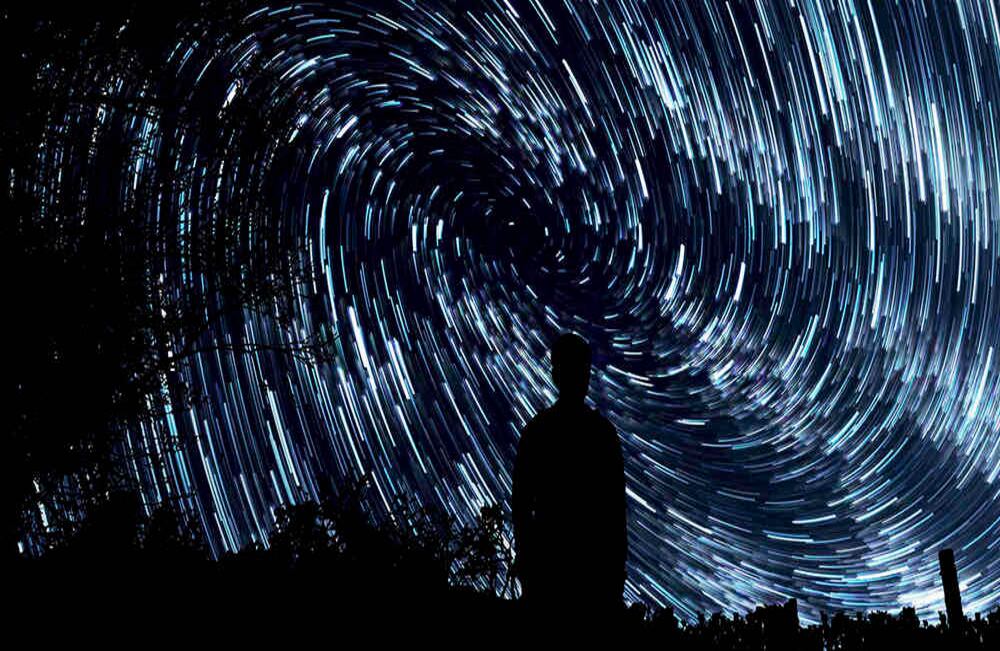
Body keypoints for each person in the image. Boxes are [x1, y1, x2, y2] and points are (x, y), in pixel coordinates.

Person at [511, 332, 627, 626]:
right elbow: (615, 511)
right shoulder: (600, 434)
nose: (581, 377)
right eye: (577, 369)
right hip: (575, 575)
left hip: (568, 574)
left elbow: (521, 505)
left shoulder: (540, 431)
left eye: (582, 369)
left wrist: (527, 559)